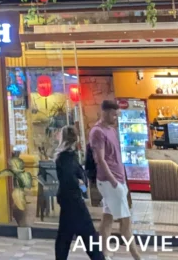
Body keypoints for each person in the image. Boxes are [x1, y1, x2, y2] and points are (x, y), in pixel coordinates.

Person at [90, 100, 140, 260]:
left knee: (108, 217)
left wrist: (121, 180)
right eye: (113, 114)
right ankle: (137, 257)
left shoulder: (111, 130)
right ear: (105, 112)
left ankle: (104, 253)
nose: (115, 118)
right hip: (109, 181)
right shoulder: (97, 132)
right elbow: (100, 159)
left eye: (117, 115)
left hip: (118, 179)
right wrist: (114, 182)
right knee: (126, 222)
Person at [56, 126, 106, 260]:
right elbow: (78, 180)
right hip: (74, 202)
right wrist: (82, 189)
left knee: (64, 237)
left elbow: (78, 180)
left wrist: (82, 189)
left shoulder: (65, 157)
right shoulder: (69, 158)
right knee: (87, 235)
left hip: (69, 201)